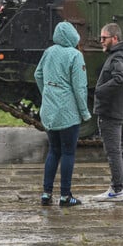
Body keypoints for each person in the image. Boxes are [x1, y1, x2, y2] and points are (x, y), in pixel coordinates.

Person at [34, 21, 91, 207]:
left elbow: (38, 74)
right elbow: (80, 87)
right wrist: (84, 112)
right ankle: (66, 196)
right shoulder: (75, 55)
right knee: (68, 153)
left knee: (53, 151)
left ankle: (46, 193)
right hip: (68, 113)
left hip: (49, 111)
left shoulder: (48, 52)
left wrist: (47, 94)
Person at [93, 23, 123, 201]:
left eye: (104, 38)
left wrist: (100, 90)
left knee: (113, 152)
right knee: (120, 149)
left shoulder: (117, 57)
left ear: (115, 38)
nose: (101, 41)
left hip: (111, 111)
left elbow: (122, 79)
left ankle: (116, 189)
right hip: (120, 109)